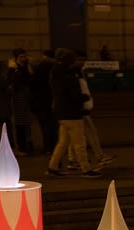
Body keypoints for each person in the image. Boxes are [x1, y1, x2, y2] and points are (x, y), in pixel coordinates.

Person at [46, 48, 100, 178]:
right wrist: (84, 98)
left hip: (61, 113)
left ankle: (52, 167)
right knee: (79, 142)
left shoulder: (55, 73)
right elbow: (73, 95)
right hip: (72, 113)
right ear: (69, 61)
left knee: (63, 142)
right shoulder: (68, 75)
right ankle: (86, 169)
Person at [72, 50, 115, 168]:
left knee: (72, 138)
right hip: (79, 109)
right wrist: (84, 100)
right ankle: (98, 157)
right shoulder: (73, 73)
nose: (82, 62)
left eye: (83, 59)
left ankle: (74, 160)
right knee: (88, 134)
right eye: (79, 59)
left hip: (79, 109)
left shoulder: (78, 72)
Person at [29, 49, 58, 154]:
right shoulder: (52, 68)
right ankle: (52, 146)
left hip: (39, 102)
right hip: (47, 102)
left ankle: (48, 147)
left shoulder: (39, 68)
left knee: (45, 126)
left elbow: (32, 84)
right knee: (51, 125)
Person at [8, 49, 34, 154]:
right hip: (17, 98)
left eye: (24, 56)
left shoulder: (27, 67)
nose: (24, 59)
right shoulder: (13, 69)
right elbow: (13, 83)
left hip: (26, 97)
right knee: (19, 123)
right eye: (21, 57)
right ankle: (21, 145)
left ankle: (28, 144)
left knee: (27, 122)